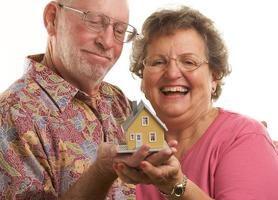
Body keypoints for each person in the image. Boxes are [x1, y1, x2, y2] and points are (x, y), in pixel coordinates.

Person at [0, 0, 176, 199]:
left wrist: (171, 179)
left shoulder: (117, 100)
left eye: (119, 30)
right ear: (52, 19)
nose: (107, 42)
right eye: (93, 21)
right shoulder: (12, 113)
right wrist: (101, 171)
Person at [114, 6, 278, 199]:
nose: (172, 73)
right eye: (158, 62)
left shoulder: (246, 138)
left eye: (189, 62)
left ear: (214, 77)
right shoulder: (131, 152)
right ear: (143, 79)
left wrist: (177, 186)